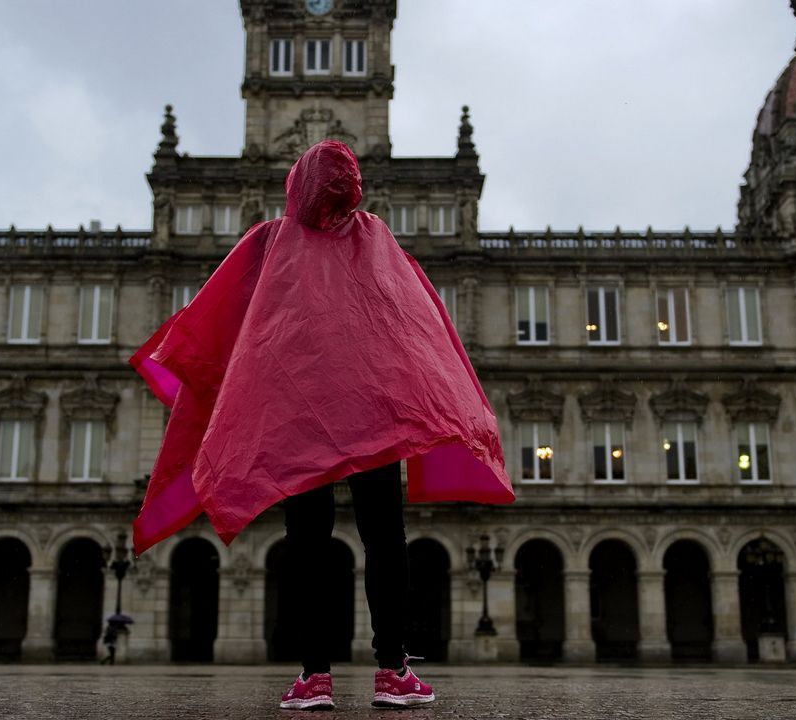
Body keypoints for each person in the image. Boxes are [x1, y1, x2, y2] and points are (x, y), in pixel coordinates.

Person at [129, 140, 514, 710]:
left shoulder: (268, 240)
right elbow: (414, 319)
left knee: (305, 542)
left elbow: (224, 312)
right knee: (385, 538)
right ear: (353, 188)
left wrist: (208, 373)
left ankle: (314, 676)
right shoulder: (375, 238)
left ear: (294, 187)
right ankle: (392, 670)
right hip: (374, 415)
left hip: (295, 415)